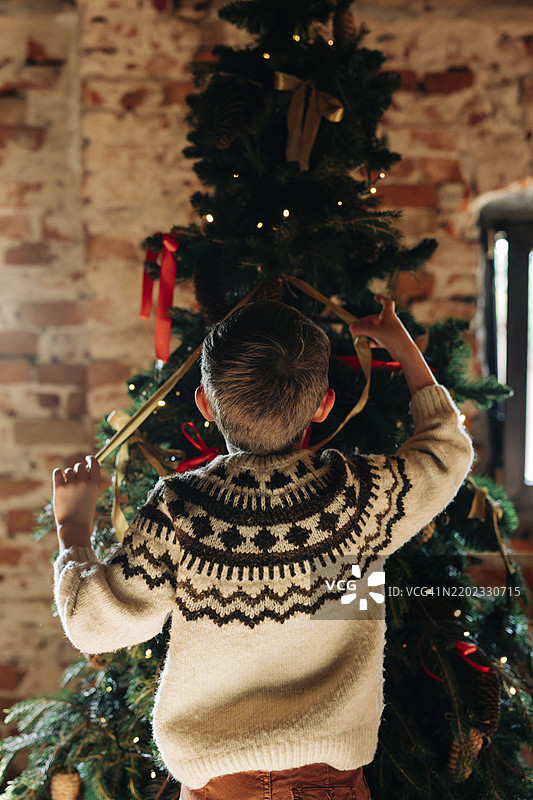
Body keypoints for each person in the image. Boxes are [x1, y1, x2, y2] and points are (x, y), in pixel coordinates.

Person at [53, 295, 474, 800]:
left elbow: (93, 627)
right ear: (323, 404)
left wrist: (73, 530)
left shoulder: (179, 513)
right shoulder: (363, 497)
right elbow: (444, 452)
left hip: (218, 788)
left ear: (205, 405)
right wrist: (406, 350)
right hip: (332, 786)